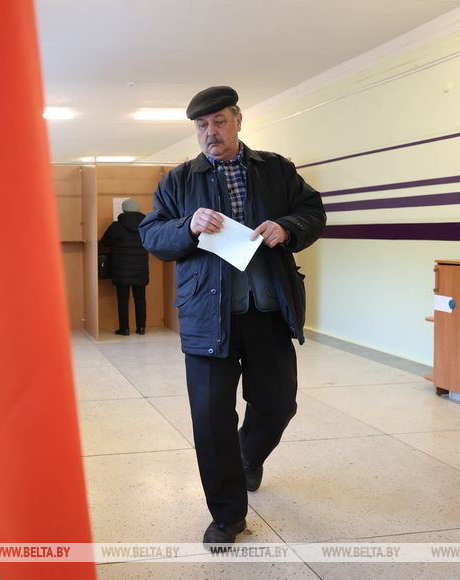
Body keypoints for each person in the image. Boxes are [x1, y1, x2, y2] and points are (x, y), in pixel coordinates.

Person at [139, 86, 325, 545]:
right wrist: (187, 226)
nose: (211, 132)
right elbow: (152, 235)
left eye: (219, 122)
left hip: (267, 310)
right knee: (211, 419)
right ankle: (227, 516)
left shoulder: (276, 169)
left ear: (238, 121)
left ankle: (247, 457)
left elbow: (312, 210)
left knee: (278, 404)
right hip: (207, 317)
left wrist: (288, 227)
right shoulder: (178, 181)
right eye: (202, 126)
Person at [99, 199, 149, 336]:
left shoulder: (117, 226)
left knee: (123, 300)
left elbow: (105, 241)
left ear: (123, 210)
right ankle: (141, 328)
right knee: (140, 299)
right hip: (140, 268)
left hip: (122, 269)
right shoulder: (145, 226)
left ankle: (124, 328)